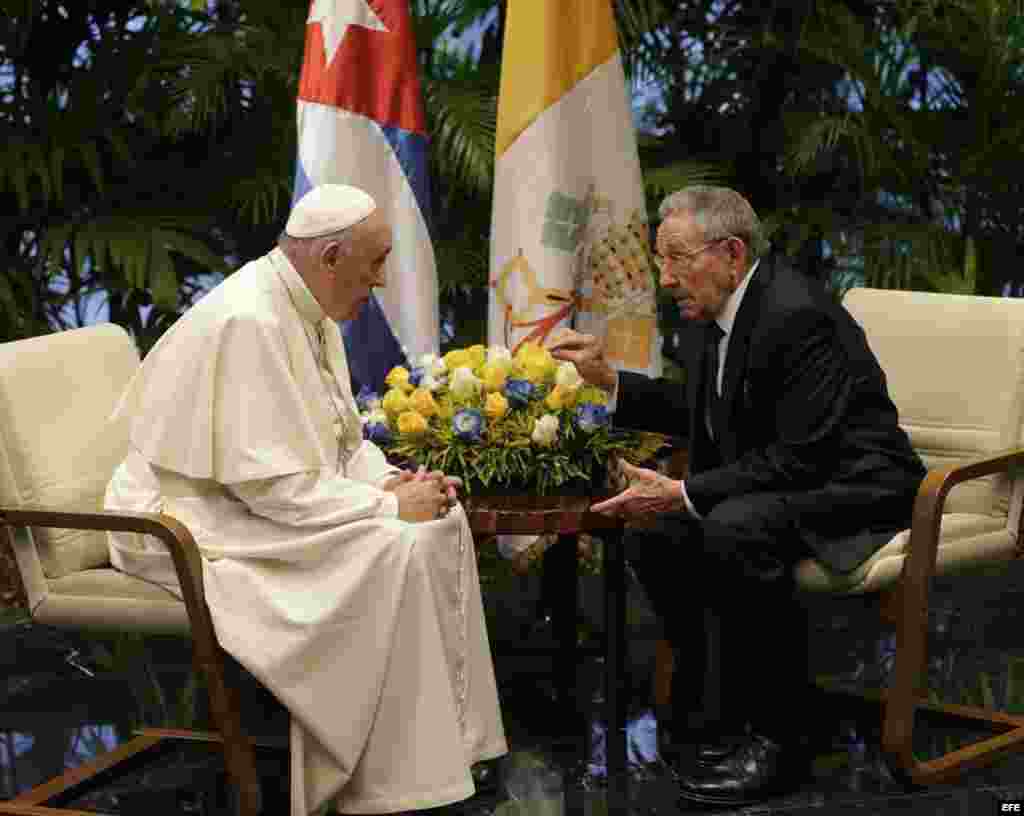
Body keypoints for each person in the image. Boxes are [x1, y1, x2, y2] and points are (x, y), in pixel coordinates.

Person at [104, 184, 507, 815]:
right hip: (181, 516)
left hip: (255, 499)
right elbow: (269, 485)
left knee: (437, 526)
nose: (378, 281)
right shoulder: (250, 320)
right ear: (329, 257)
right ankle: (377, 778)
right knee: (391, 545)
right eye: (373, 263)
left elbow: (337, 441)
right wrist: (383, 509)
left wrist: (392, 484)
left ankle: (446, 755)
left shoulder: (307, 306)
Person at [548, 185, 925, 807]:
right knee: (657, 532)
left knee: (732, 526)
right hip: (795, 475)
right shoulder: (715, 309)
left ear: (729, 251)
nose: (665, 278)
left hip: (859, 486)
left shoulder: (795, 313)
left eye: (675, 259)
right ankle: (712, 711)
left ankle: (782, 739)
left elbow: (801, 454)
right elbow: (704, 413)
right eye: (659, 260)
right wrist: (610, 380)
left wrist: (686, 490)